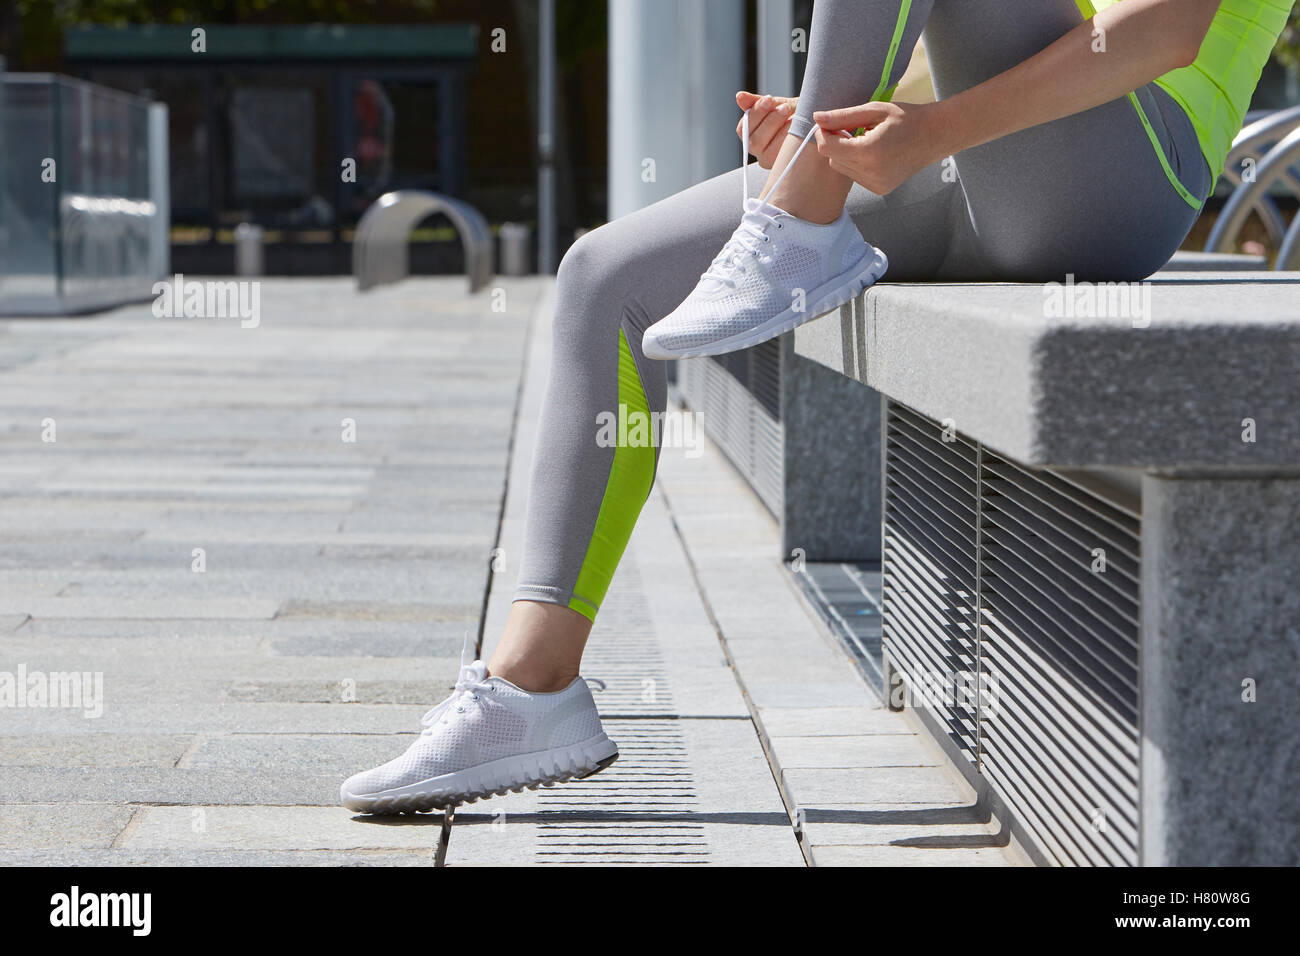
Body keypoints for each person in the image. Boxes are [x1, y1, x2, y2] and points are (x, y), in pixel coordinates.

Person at [340, 0, 1289, 814]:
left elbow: (1162, 30)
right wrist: (843, 122)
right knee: (606, 279)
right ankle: (529, 687)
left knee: (785, 199)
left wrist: (918, 135)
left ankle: (802, 204)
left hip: (1121, 172)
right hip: (980, 162)